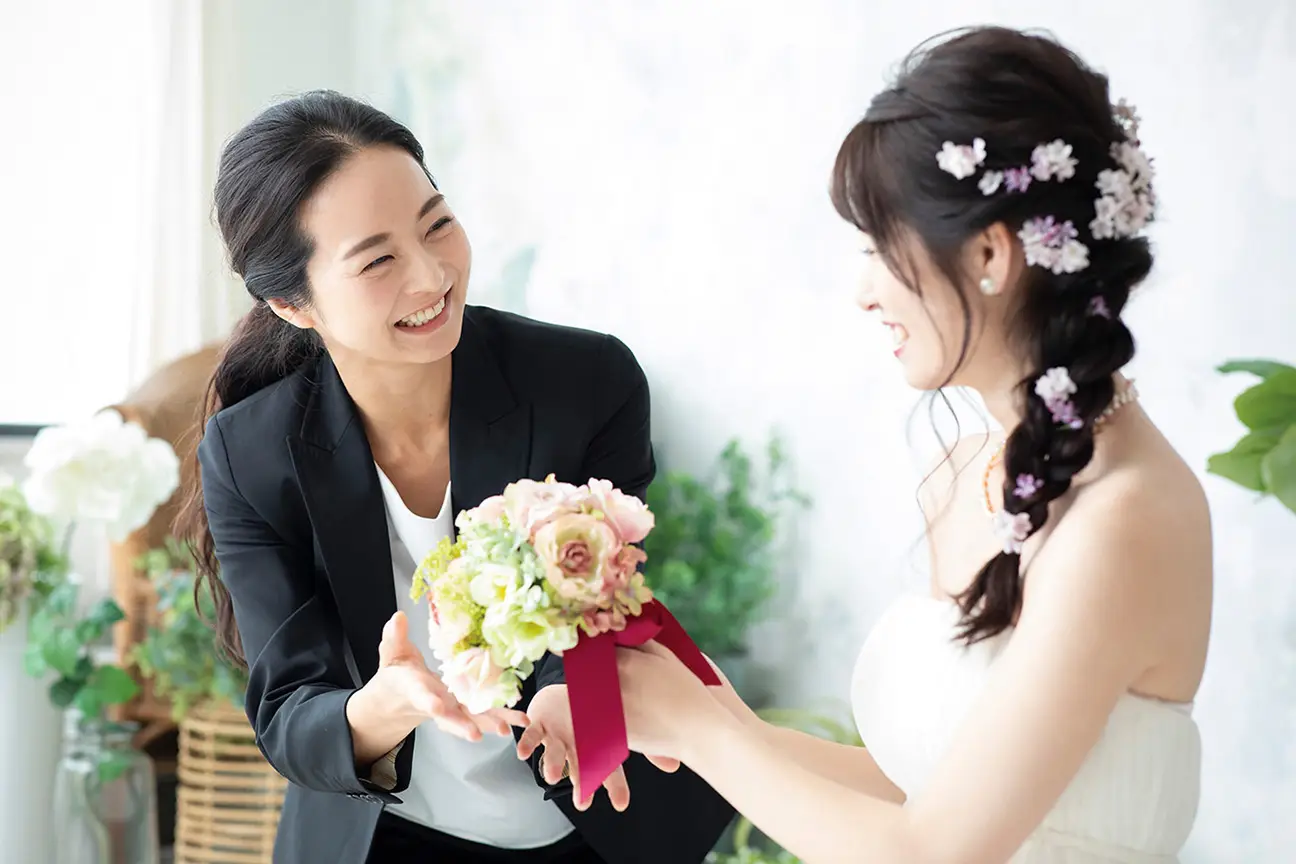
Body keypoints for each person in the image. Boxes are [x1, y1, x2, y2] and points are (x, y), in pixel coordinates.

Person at [599, 26, 1211, 864]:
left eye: (881, 247)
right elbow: (921, 794)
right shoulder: (968, 472)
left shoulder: (1122, 522)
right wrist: (701, 717)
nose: (863, 290)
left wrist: (703, 733)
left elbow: (934, 852)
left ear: (991, 253)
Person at [175, 91, 733, 864]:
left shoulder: (587, 383)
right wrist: (382, 707)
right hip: (384, 835)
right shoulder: (252, 454)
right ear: (293, 303)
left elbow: (602, 598)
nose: (432, 274)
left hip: (595, 813)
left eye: (436, 223)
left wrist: (565, 688)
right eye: (378, 260)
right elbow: (289, 711)